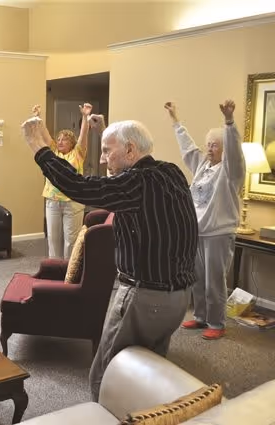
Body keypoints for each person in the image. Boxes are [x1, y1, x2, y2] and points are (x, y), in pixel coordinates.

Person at [21, 112, 198, 402]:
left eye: (107, 151)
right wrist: (104, 133)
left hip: (145, 297)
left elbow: (80, 187)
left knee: (108, 374)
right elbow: (114, 186)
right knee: (148, 371)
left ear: (130, 150)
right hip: (178, 299)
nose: (102, 159)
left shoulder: (136, 184)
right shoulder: (170, 172)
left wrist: (38, 148)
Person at [165, 100, 245, 340]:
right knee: (197, 278)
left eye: (215, 146)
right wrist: (175, 120)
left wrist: (229, 122)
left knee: (214, 281)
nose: (209, 148)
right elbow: (188, 149)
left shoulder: (231, 172)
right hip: (197, 232)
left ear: (223, 150)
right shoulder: (202, 165)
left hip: (218, 233)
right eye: (209, 144)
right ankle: (201, 317)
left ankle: (217, 323)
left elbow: (235, 153)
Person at [35, 103, 92, 259]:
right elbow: (44, 134)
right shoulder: (52, 152)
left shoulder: (78, 153)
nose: (60, 142)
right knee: (53, 240)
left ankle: (69, 273)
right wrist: (38, 117)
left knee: (71, 241)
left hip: (73, 202)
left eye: (64, 140)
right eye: (58, 139)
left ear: (72, 143)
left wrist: (85, 117)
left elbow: (83, 136)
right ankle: (55, 271)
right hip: (52, 201)